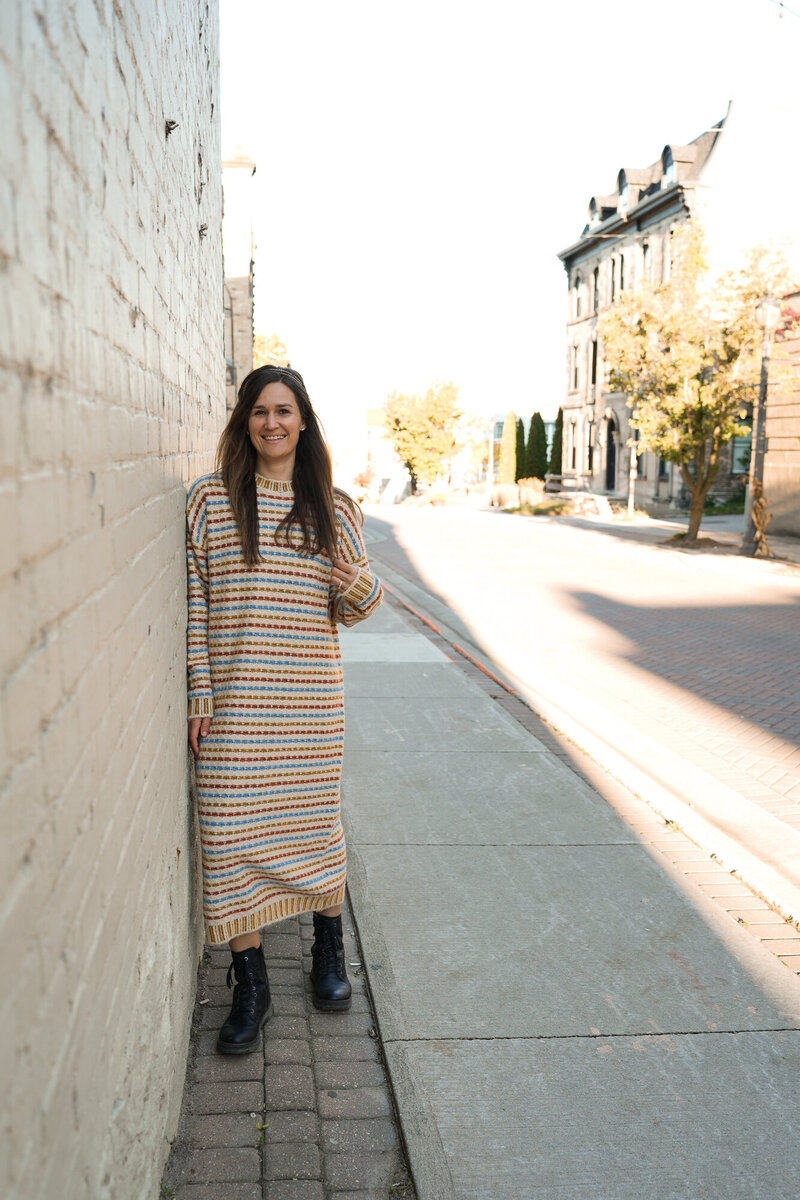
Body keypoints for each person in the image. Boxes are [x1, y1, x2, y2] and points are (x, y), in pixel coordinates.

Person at [186, 365, 383, 1054]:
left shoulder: (334, 507)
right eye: (261, 411)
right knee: (229, 836)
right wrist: (198, 691)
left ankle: (328, 948)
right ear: (245, 421)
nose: (273, 422)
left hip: (308, 706)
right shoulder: (211, 504)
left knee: (315, 829)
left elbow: (358, 610)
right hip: (237, 707)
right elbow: (195, 606)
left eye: (285, 411)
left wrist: (351, 576)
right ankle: (251, 982)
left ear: (304, 422)